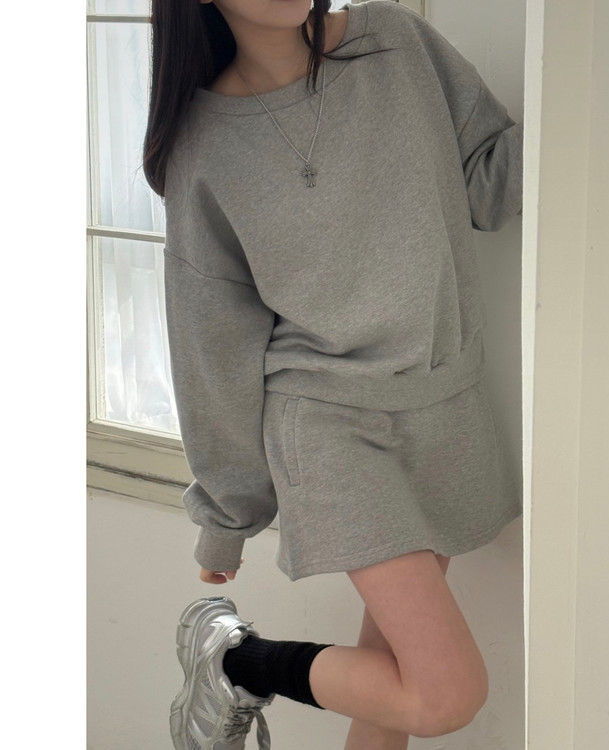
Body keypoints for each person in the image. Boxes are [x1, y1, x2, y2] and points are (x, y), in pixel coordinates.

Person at [143, 1, 524, 748]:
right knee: (445, 694)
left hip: (442, 402)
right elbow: (212, 346)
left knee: (393, 692)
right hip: (330, 428)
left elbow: (488, 182)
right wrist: (227, 519)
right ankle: (237, 664)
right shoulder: (205, 146)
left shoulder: (395, 42)